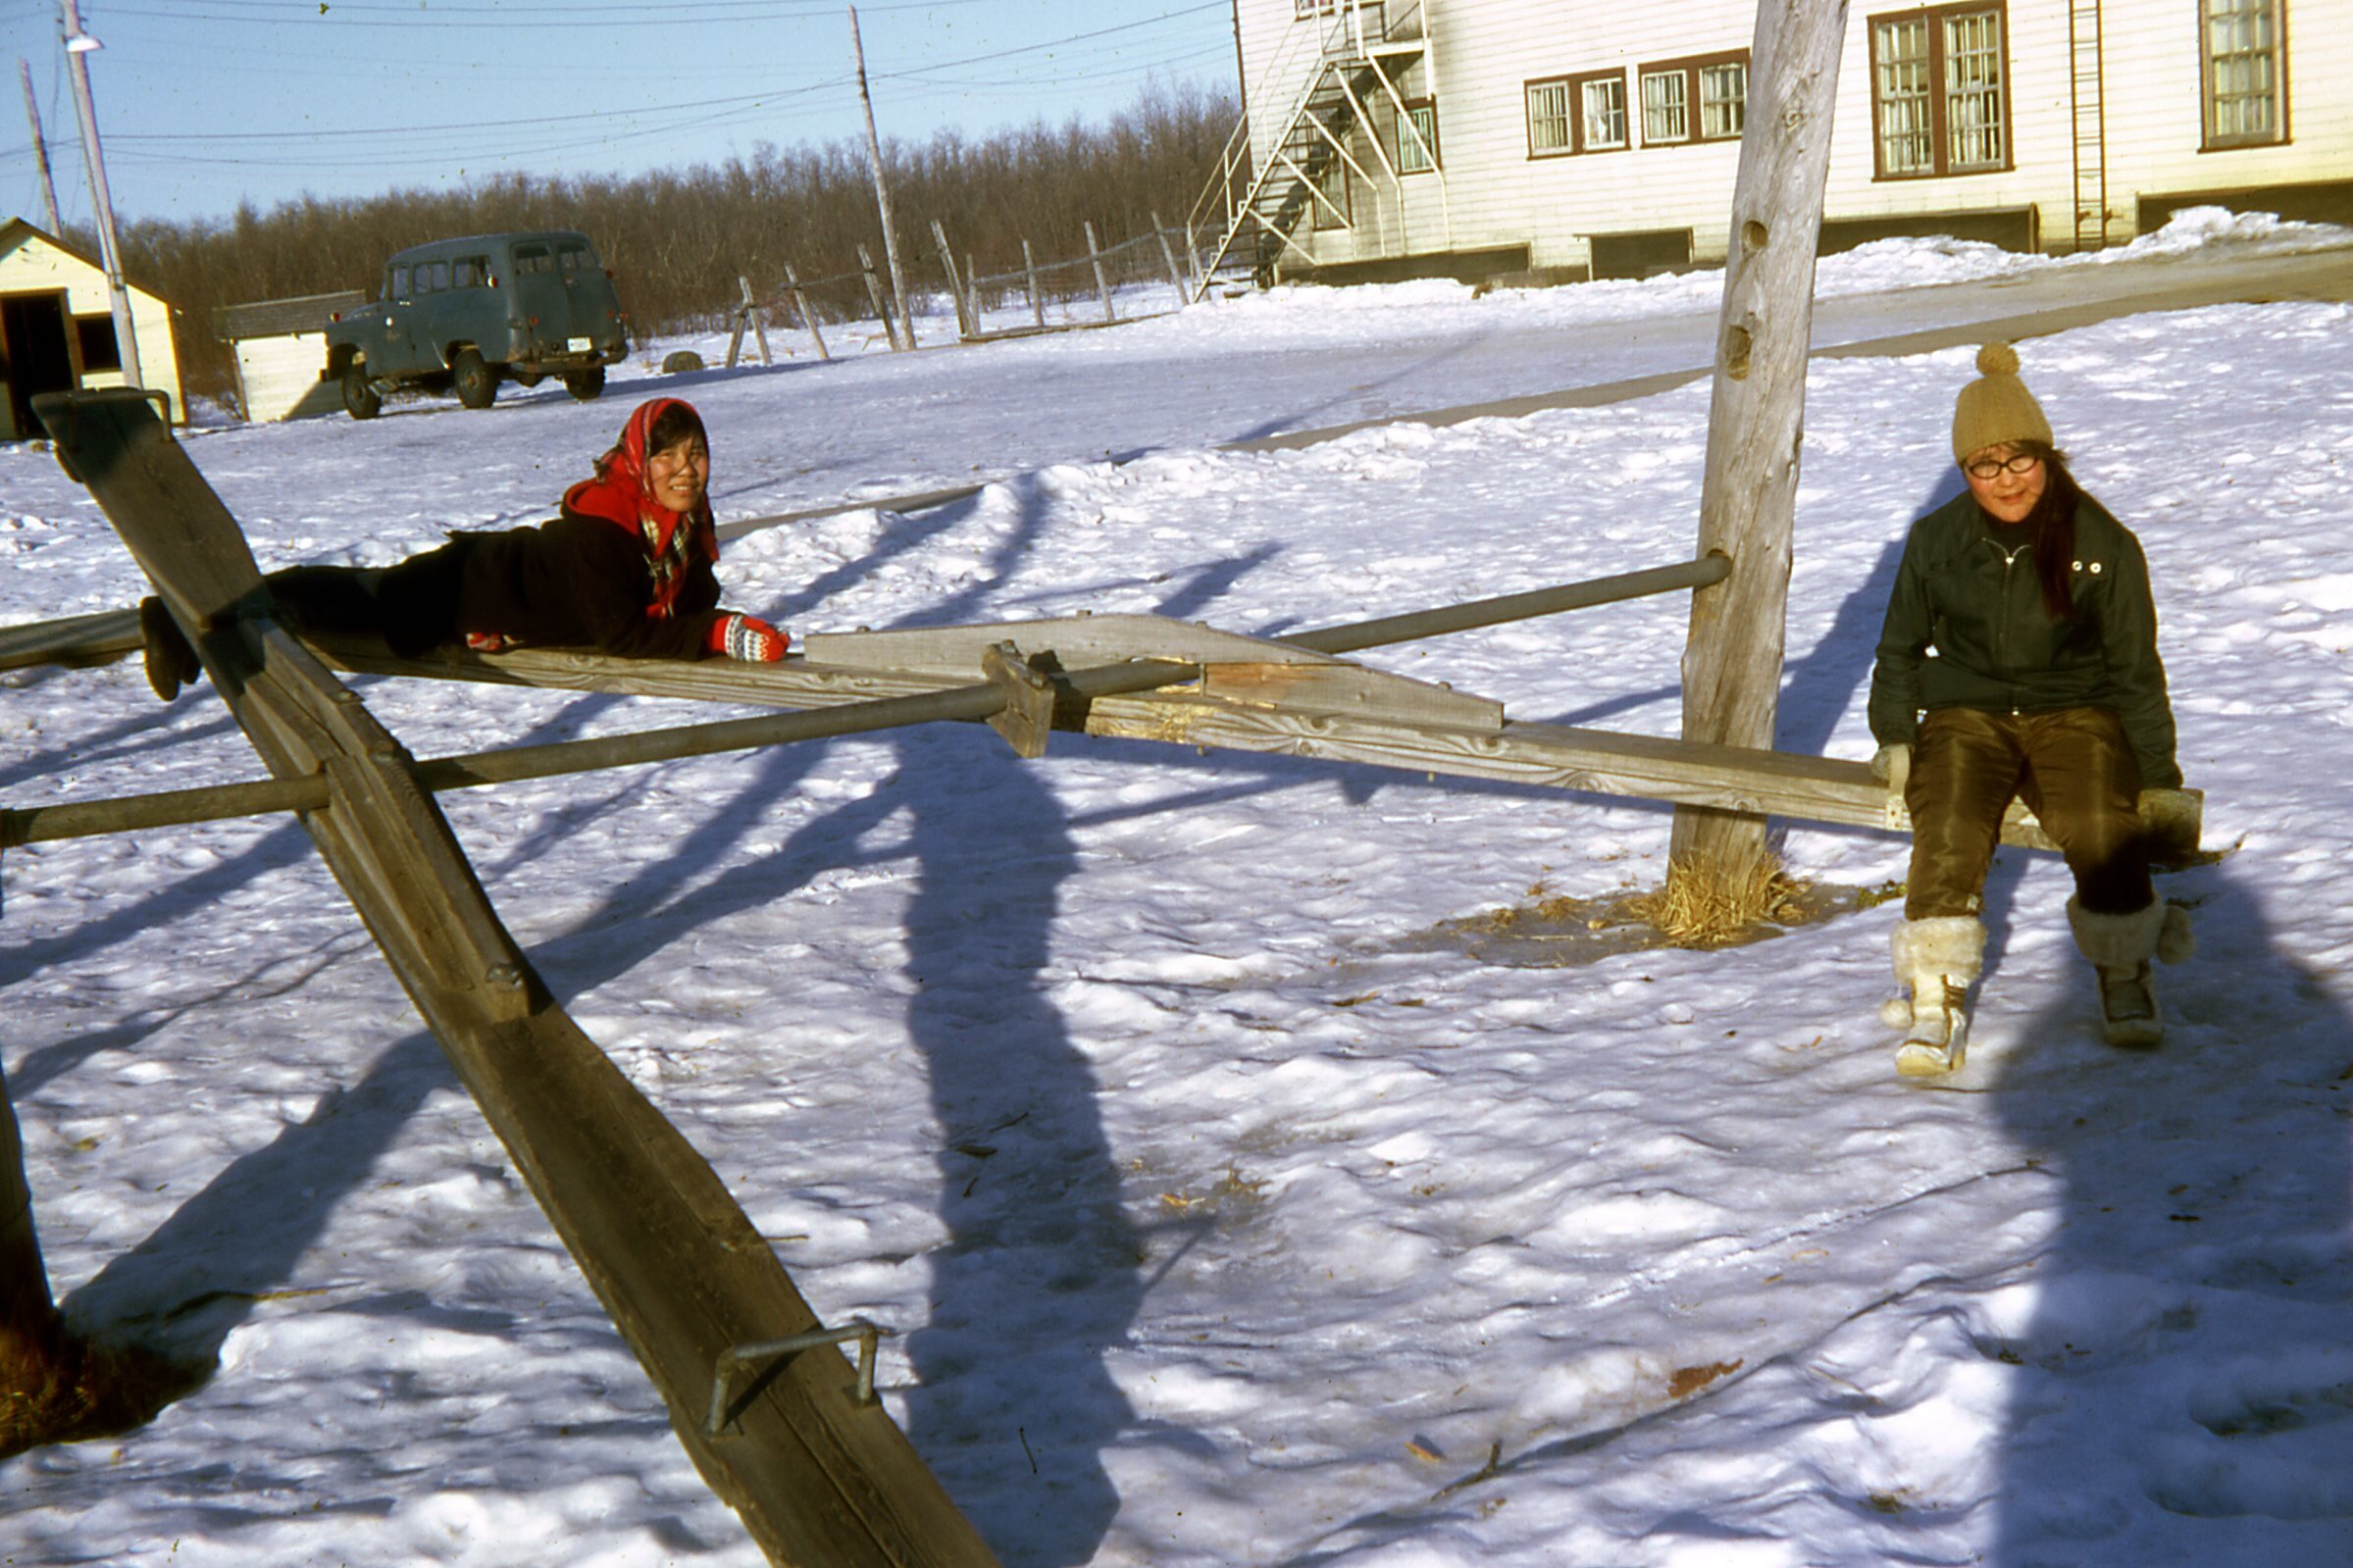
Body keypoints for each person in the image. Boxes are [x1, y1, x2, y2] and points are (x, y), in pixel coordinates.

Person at [1867, 343, 2194, 1076]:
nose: (2006, 480)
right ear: (1964, 472)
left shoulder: (2102, 543)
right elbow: (1896, 650)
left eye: (2020, 461)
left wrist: (2158, 775)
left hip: (2073, 712)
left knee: (2099, 824)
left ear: (2047, 458)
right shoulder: (1935, 542)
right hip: (1965, 714)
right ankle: (1933, 991)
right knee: (1948, 820)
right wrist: (1894, 735)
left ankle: (2123, 971)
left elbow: (2134, 668)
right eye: (1985, 465)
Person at [138, 395, 789, 698]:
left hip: (494, 602)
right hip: (464, 587)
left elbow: (677, 607)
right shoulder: (608, 527)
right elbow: (620, 633)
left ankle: (200, 618)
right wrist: (719, 634)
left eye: (696, 453)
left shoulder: (681, 532)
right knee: (334, 600)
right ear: (636, 463)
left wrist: (707, 618)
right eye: (666, 455)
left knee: (334, 598)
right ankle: (175, 616)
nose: (685, 469)